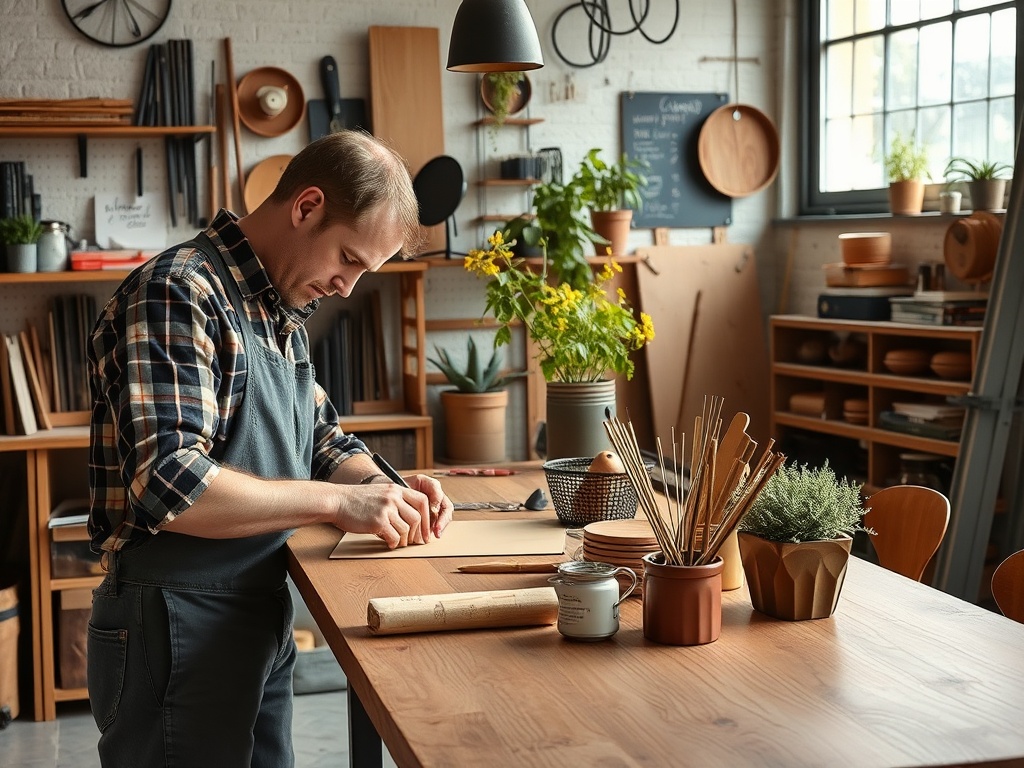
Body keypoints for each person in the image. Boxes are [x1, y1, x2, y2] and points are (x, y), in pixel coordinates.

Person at [86, 130, 453, 768]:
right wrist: (336, 503)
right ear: (306, 206)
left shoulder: (278, 312)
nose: (347, 287)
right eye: (349, 258)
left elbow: (322, 438)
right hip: (175, 624)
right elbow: (170, 484)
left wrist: (381, 489)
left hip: (255, 613)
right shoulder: (180, 292)